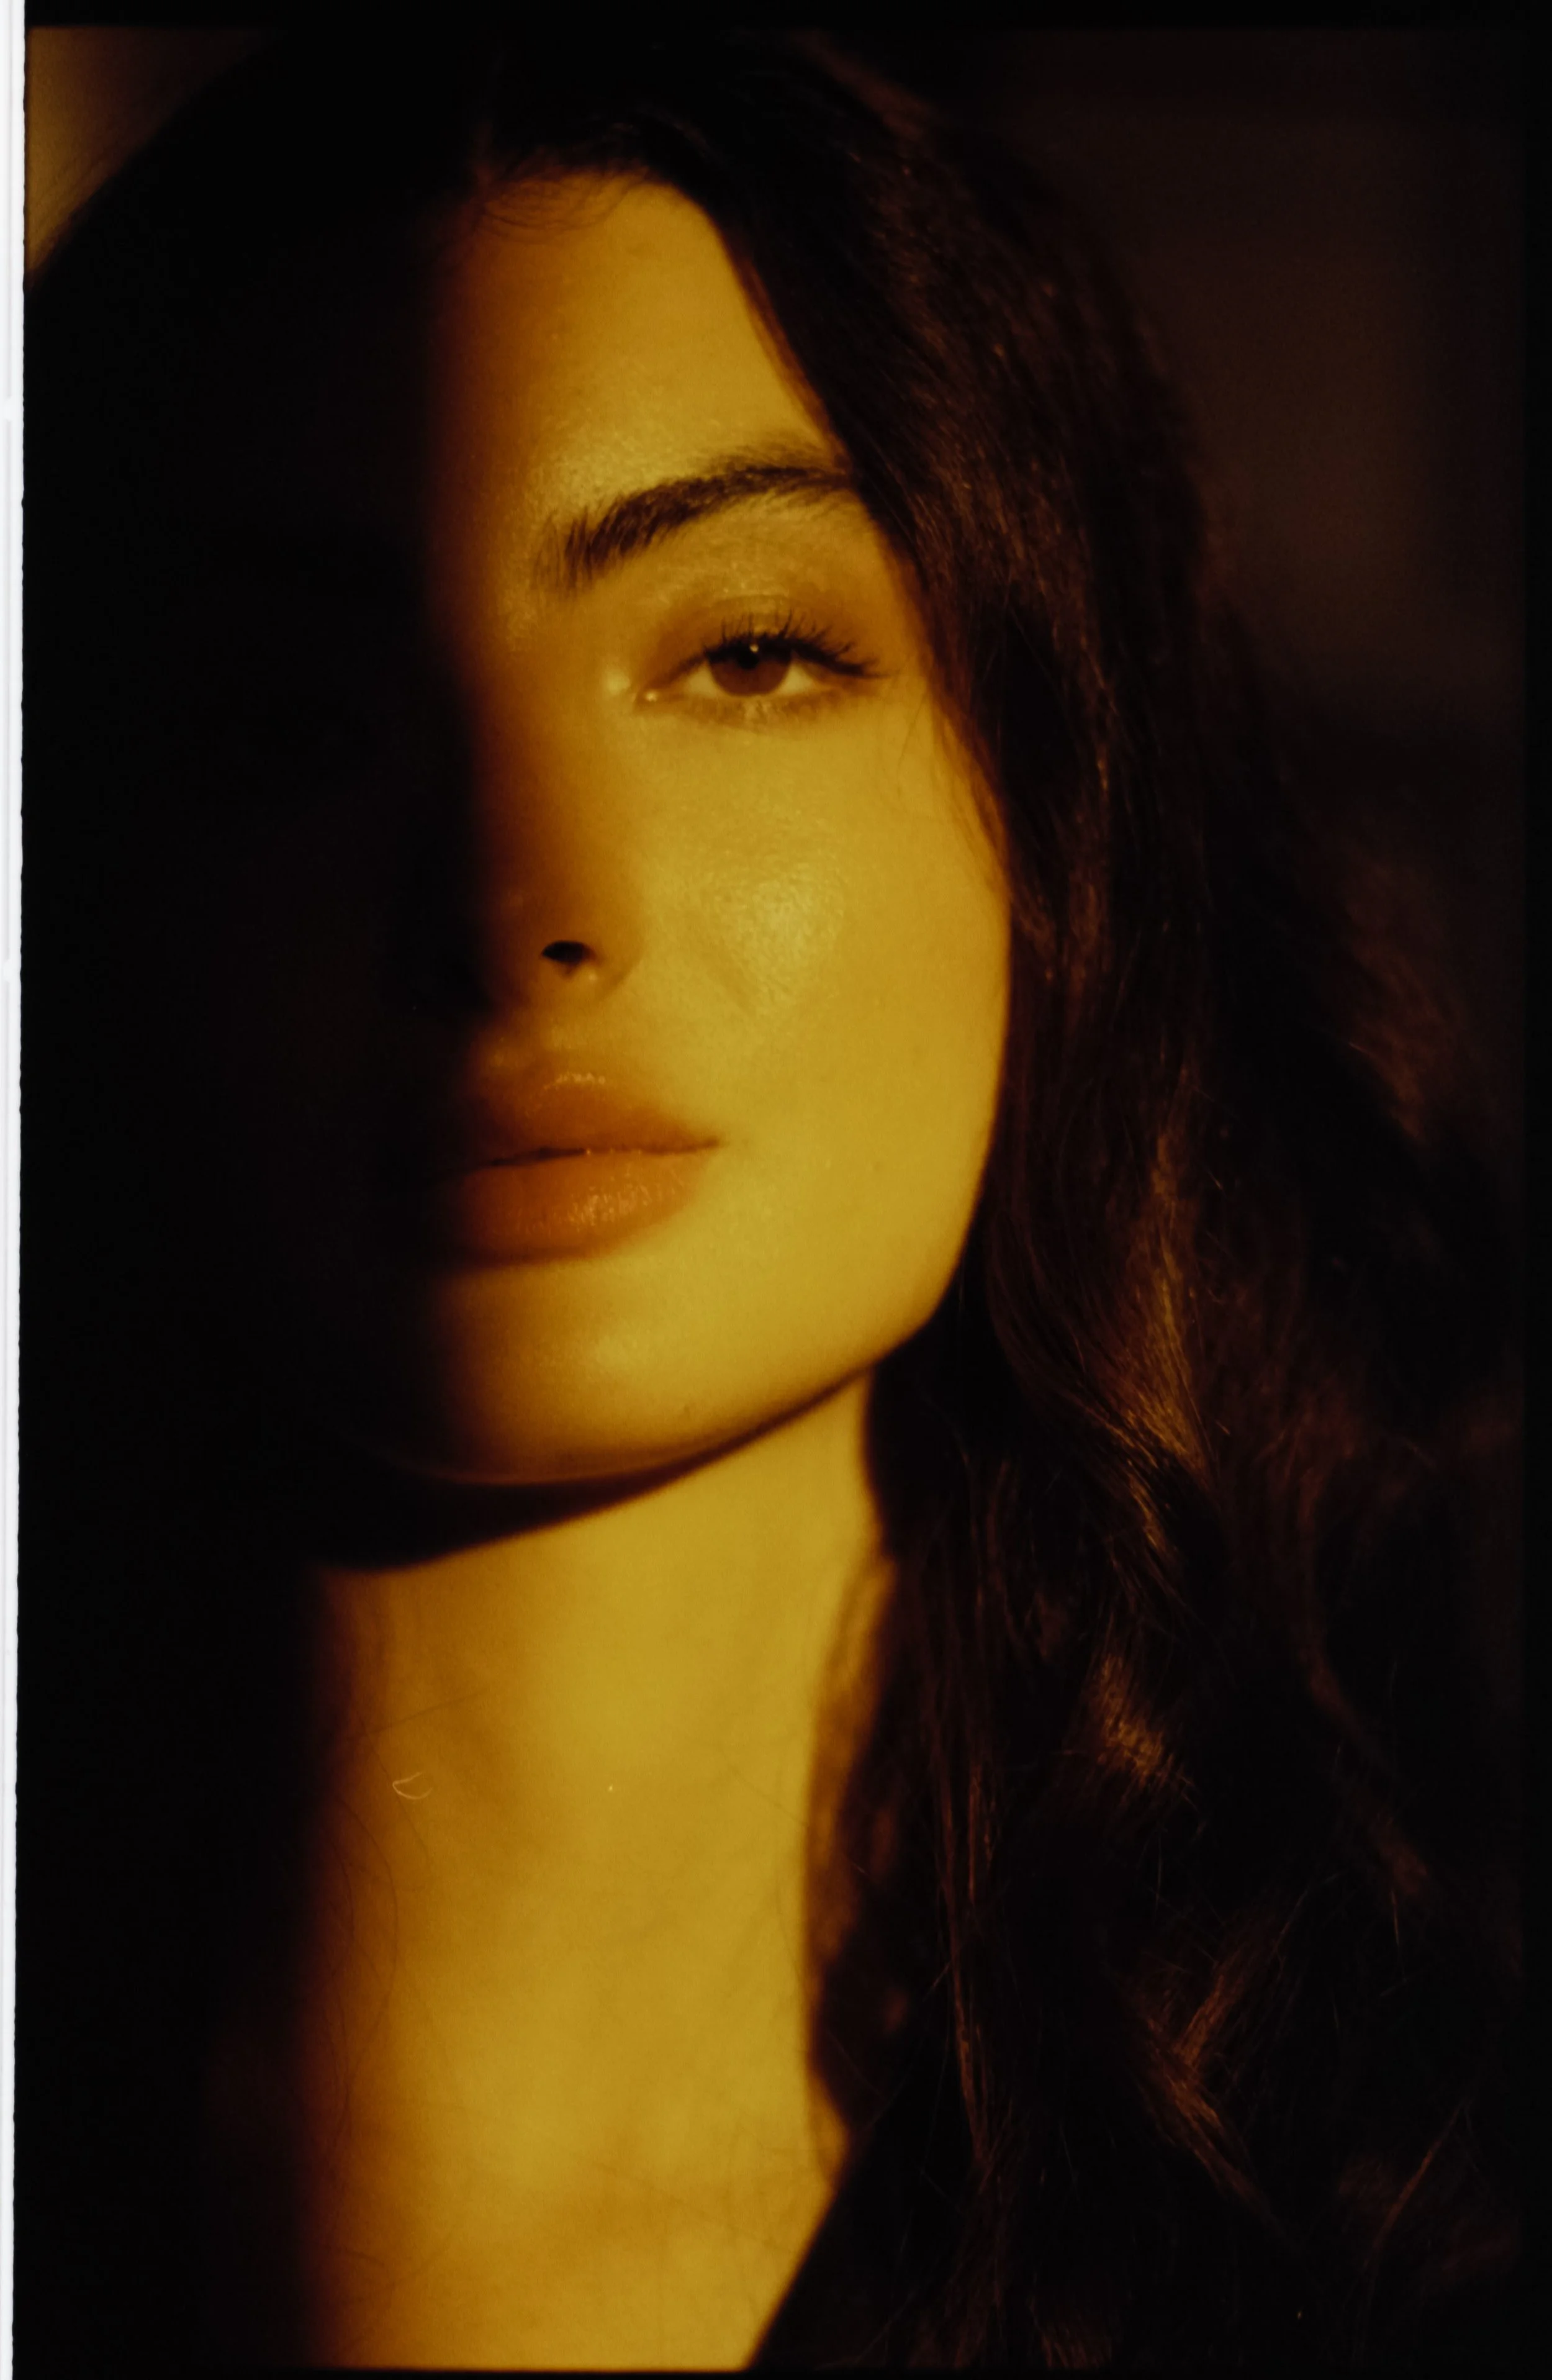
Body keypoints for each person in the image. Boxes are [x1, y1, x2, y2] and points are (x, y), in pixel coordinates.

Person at [19, 30, 1519, 2371]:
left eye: (744, 653)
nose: (523, 895)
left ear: (1062, 817)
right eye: (286, 723)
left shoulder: (1419, 2225)